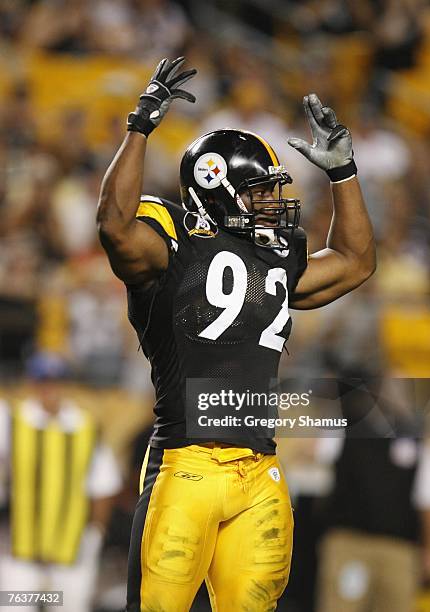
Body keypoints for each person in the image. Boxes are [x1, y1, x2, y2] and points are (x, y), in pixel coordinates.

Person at [97, 57, 376, 612]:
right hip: (187, 463)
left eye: (274, 190)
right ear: (217, 189)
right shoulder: (173, 237)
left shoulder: (273, 255)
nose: (274, 202)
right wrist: (140, 127)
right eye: (259, 191)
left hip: (261, 468)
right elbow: (114, 226)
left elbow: (355, 261)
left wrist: (344, 175)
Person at [0, 352, 122, 612]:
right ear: (31, 383)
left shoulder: (85, 427)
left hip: (71, 553)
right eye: (43, 380)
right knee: (14, 607)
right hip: (22, 554)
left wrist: (95, 534)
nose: (50, 388)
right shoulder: (12, 421)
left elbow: (103, 485)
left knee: (70, 607)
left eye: (56, 380)